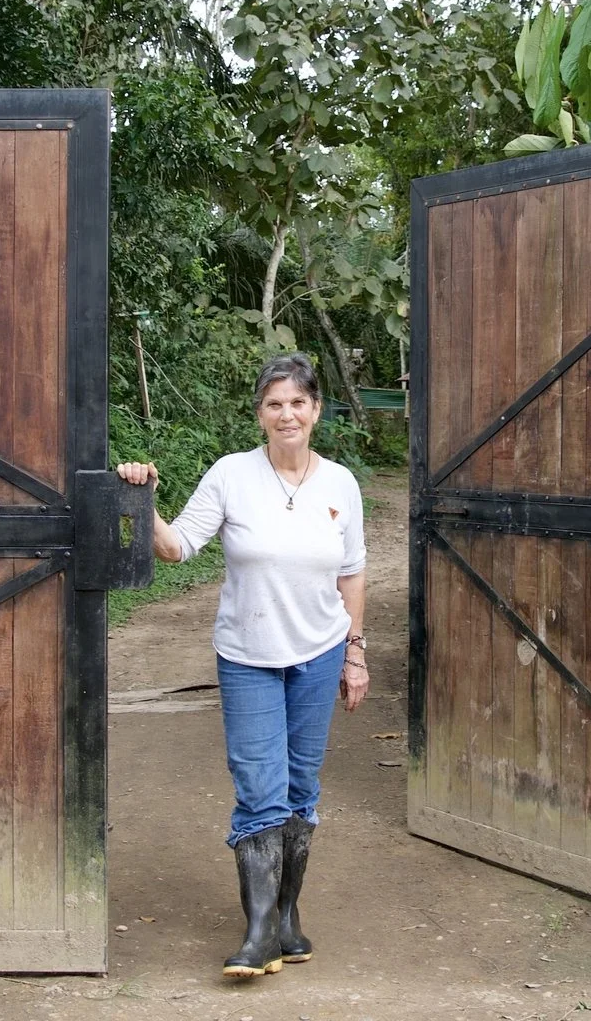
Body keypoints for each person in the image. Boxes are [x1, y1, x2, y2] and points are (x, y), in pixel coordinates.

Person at [115, 353, 368, 980]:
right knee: (261, 790)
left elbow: (352, 570)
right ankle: (258, 933)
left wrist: (356, 651)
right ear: (260, 414)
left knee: (301, 789)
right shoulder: (231, 475)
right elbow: (177, 548)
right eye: (274, 404)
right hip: (249, 657)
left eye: (298, 403)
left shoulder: (340, 483)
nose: (287, 414)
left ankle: (287, 919)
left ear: (316, 411)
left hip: (320, 653)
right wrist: (139, 499)